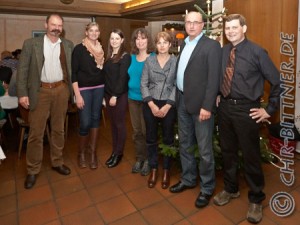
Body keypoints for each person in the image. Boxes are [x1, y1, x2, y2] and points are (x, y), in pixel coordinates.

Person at [213, 14, 281, 224]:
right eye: (227, 28)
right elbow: (221, 77)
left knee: (251, 155)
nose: (230, 31)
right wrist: (217, 93)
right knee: (228, 152)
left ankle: (256, 198)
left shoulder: (257, 52)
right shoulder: (224, 51)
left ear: (244, 28)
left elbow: (278, 82)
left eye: (234, 27)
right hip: (224, 109)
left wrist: (268, 110)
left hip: (247, 110)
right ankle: (231, 189)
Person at [169, 11, 221, 208]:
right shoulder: (184, 44)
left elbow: (214, 79)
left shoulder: (212, 46)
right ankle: (188, 179)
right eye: (188, 22)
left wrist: (207, 106)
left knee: (205, 149)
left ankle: (207, 188)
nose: (191, 26)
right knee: (185, 142)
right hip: (182, 100)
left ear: (202, 25)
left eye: (195, 23)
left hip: (201, 106)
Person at [17, 13, 74, 189]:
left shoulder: (68, 45)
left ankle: (57, 162)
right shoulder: (31, 44)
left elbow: (72, 69)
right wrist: (22, 93)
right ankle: (32, 170)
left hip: (61, 90)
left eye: (59, 25)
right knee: (36, 133)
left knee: (58, 129)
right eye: (53, 24)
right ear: (46, 25)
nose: (56, 28)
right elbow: (23, 70)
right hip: (39, 92)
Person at [141, 31, 177, 189]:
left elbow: (178, 84)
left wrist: (168, 105)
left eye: (165, 42)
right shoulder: (149, 61)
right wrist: (152, 105)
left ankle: (167, 170)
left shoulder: (176, 61)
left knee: (169, 138)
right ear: (155, 45)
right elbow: (143, 83)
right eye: (159, 42)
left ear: (170, 44)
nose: (162, 45)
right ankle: (154, 168)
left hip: (169, 104)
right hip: (151, 103)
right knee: (151, 138)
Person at [72, 22, 105, 170]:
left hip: (99, 88)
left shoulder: (101, 50)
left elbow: (103, 72)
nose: (94, 33)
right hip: (84, 89)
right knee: (85, 122)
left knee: (95, 120)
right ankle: (81, 153)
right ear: (86, 32)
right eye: (91, 30)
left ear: (99, 33)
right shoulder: (79, 49)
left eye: (96, 30)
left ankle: (92, 153)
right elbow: (74, 73)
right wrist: (77, 95)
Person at [128, 28, 155, 176]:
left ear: (148, 40)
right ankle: (140, 158)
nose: (140, 41)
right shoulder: (131, 57)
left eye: (143, 38)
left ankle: (149, 161)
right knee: (137, 132)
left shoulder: (153, 57)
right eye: (137, 38)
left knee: (147, 132)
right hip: (132, 99)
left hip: (147, 101)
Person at [104, 29, 131, 168]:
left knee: (119, 125)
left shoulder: (125, 56)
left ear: (122, 40)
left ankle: (119, 153)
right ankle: (114, 151)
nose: (114, 41)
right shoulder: (109, 55)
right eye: (112, 38)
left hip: (119, 95)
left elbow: (122, 78)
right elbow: (106, 77)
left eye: (117, 38)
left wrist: (114, 95)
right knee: (113, 125)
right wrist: (105, 96)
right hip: (108, 95)